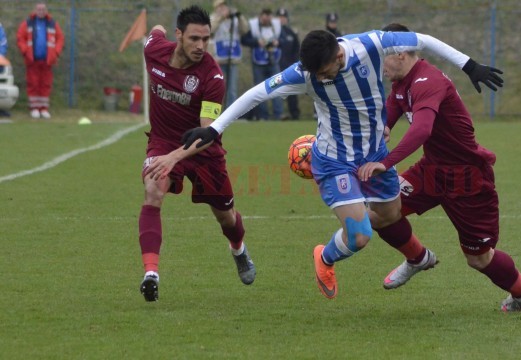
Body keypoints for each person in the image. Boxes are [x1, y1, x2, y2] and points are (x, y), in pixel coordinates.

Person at [170, 28, 502, 300]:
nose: (317, 78)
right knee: (359, 235)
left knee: (388, 215)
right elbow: (257, 93)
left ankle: (415, 258)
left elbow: (423, 39)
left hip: (373, 154)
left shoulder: (371, 45)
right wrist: (214, 128)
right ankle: (325, 257)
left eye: (323, 71)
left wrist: (469, 64)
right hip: (333, 160)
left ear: (339, 56)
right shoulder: (305, 73)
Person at [358, 23, 521, 312]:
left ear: (401, 54)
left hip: (467, 178)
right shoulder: (401, 83)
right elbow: (390, 113)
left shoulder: (428, 81)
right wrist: (380, 129)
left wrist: (386, 162)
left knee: (478, 258)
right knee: (379, 214)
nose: (379, 66)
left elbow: (422, 131)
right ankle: (418, 258)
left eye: (382, 58)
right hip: (431, 171)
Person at [137, 5, 255, 302]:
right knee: (153, 190)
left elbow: (206, 133)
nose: (201, 46)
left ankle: (239, 250)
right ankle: (151, 274)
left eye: (206, 39)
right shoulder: (154, 52)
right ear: (179, 36)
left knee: (226, 218)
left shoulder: (212, 77)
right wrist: (158, 28)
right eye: (194, 39)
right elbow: (155, 33)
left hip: (203, 151)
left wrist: (175, 157)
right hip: (163, 142)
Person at [16, 2, 64, 119]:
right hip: (32, 60)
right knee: (33, 84)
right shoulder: (28, 23)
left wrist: (56, 52)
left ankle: (44, 109)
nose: (41, 11)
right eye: (39, 9)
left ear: (46, 10)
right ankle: (34, 108)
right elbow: (20, 37)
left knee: (45, 84)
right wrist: (25, 51)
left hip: (47, 61)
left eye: (43, 9)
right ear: (35, 10)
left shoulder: (52, 23)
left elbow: (60, 38)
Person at [240, 8, 284, 120]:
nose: (266, 19)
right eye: (264, 16)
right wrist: (257, 42)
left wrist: (277, 42)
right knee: (260, 89)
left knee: (277, 87)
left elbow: (285, 40)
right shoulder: (254, 26)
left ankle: (278, 115)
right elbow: (244, 40)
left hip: (273, 60)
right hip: (258, 62)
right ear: (260, 16)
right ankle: (263, 116)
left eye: (269, 16)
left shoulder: (277, 26)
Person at [209, 0, 249, 109]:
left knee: (232, 89)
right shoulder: (212, 17)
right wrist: (221, 18)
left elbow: (245, 30)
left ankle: (231, 112)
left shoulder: (234, 19)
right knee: (218, 87)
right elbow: (210, 30)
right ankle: (217, 113)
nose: (223, 8)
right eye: (220, 6)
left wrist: (239, 17)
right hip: (218, 58)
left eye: (224, 5)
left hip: (233, 57)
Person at [275, 7, 300, 120]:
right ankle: (277, 114)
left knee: (292, 91)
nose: (282, 20)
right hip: (275, 65)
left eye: (283, 17)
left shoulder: (291, 33)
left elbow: (297, 49)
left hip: (289, 66)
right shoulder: (273, 33)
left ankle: (294, 113)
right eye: (279, 17)